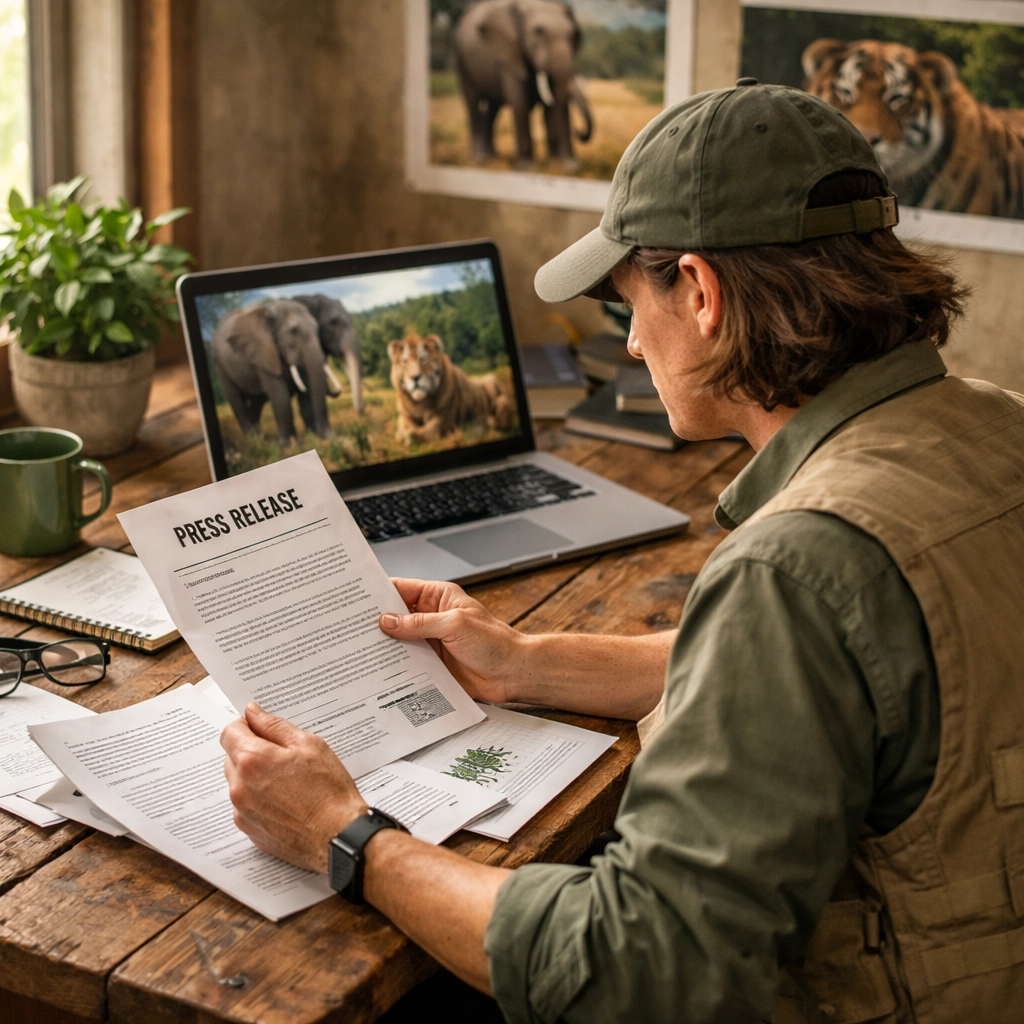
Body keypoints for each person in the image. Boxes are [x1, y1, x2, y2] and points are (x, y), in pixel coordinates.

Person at [221, 81, 1024, 1023]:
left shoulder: (797, 565)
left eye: (627, 305)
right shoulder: (993, 424)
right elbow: (844, 670)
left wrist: (344, 834)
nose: (635, 345)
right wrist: (525, 663)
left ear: (703, 291)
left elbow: (640, 968)